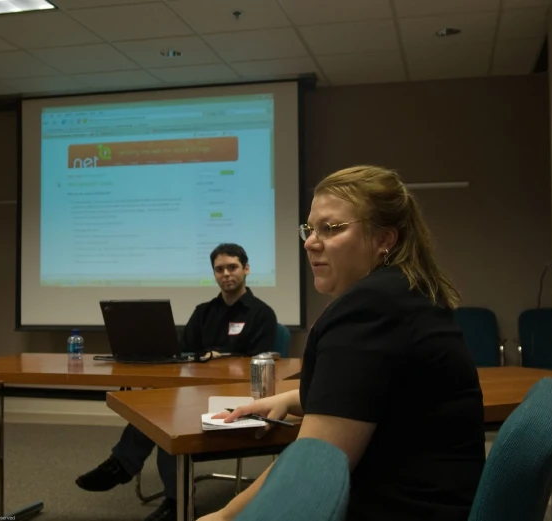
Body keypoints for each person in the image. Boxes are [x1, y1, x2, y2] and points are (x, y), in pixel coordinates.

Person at [199, 166, 486, 521]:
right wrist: (289, 398)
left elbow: (313, 471)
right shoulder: (405, 293)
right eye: (309, 228)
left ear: (385, 239)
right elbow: (374, 392)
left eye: (330, 228)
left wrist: (223, 515)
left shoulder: (368, 310)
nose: (309, 242)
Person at [76, 243, 278, 521]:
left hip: (238, 397)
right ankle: (141, 476)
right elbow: (183, 354)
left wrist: (220, 358)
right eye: (219, 269)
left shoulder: (262, 314)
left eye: (232, 267)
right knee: (160, 410)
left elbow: (260, 362)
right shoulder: (203, 312)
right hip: (196, 390)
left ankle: (161, 491)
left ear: (246, 269)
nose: (226, 274)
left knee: (170, 420)